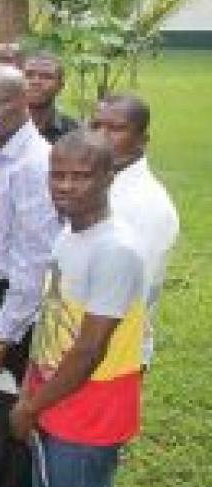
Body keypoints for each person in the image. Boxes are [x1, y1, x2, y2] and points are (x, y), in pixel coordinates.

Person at [10, 129, 148, 487]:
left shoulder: (115, 250)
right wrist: (29, 388)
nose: (66, 186)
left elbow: (89, 350)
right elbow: (51, 320)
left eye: (81, 176)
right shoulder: (70, 233)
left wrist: (30, 407)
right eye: (57, 175)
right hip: (54, 395)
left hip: (90, 410)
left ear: (109, 178)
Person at [0, 65, 61, 487]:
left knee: (9, 403)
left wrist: (0, 337)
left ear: (24, 103)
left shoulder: (33, 164)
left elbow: (34, 264)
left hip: (13, 301)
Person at [91, 94, 179, 366]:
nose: (101, 137)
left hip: (112, 352)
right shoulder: (102, 183)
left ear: (142, 140)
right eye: (95, 126)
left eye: (115, 129)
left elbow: (129, 297)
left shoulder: (146, 205)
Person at [24, 52, 79, 144]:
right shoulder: (4, 127)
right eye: (29, 75)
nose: (36, 82)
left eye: (46, 77)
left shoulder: (74, 132)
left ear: (60, 86)